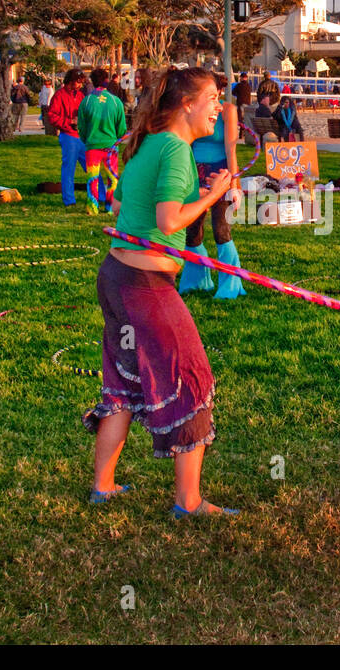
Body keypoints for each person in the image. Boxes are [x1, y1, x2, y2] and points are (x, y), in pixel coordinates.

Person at [83, 66, 237, 517]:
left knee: (125, 382)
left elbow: (120, 204)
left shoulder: (149, 143)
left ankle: (103, 486)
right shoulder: (174, 149)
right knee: (192, 378)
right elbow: (170, 222)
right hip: (145, 285)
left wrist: (198, 192)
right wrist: (214, 196)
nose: (219, 108)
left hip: (116, 276)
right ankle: (188, 502)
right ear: (187, 104)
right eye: (212, 98)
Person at [179, 76, 244, 300]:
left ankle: (230, 284)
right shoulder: (193, 110)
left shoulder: (228, 110)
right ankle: (197, 280)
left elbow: (231, 149)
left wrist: (234, 184)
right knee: (192, 229)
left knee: (221, 229)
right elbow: (185, 143)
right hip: (195, 171)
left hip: (220, 173)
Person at [77, 68, 128, 215]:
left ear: (92, 81)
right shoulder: (115, 101)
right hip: (111, 147)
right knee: (112, 179)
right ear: (106, 80)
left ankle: (92, 207)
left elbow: (81, 126)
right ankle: (110, 207)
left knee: (93, 178)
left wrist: (87, 139)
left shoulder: (86, 101)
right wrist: (115, 138)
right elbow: (122, 128)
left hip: (92, 147)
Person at [47, 68, 87, 205]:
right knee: (69, 169)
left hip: (81, 136)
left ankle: (100, 196)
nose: (80, 85)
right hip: (68, 135)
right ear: (71, 81)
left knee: (92, 167)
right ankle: (69, 200)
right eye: (78, 82)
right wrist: (68, 122)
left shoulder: (80, 95)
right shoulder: (59, 95)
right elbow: (52, 116)